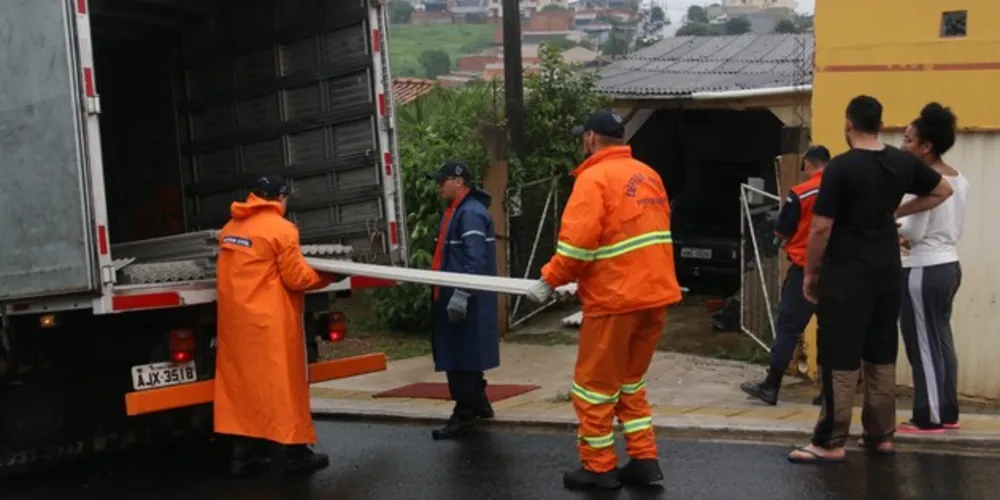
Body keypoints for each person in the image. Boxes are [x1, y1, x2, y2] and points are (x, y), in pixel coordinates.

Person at [789, 96, 954, 464]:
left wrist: (811, 273)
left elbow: (821, 226)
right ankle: (880, 436)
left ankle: (830, 441)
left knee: (840, 356)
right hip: (887, 272)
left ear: (849, 125)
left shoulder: (841, 168)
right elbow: (943, 190)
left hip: (846, 275)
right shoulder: (901, 162)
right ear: (880, 125)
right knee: (880, 355)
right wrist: (897, 209)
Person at [525, 109, 683, 490]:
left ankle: (599, 468)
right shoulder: (649, 176)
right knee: (630, 382)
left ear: (592, 138)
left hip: (616, 300)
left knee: (594, 386)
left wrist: (549, 280)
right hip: (655, 296)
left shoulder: (593, 180)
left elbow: (577, 247)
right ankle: (644, 461)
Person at [214, 175, 337, 477]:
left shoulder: (230, 230)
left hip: (236, 324)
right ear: (279, 198)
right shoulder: (281, 229)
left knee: (243, 389)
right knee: (284, 387)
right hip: (270, 324)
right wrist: (329, 276)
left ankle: (242, 458)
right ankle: (296, 455)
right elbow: (297, 278)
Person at [897, 103, 968, 433]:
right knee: (941, 339)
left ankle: (927, 416)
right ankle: (948, 412)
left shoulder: (924, 182)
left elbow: (912, 231)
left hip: (922, 267)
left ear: (926, 146)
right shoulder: (959, 178)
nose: (903, 145)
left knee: (921, 342)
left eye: (909, 140)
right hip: (949, 264)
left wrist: (891, 228)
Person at [741, 145, 830, 405]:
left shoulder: (801, 193)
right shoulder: (845, 190)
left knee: (788, 328)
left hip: (805, 268)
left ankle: (771, 386)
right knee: (831, 331)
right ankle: (830, 393)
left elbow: (781, 231)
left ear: (808, 164)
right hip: (838, 271)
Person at [425, 160, 500, 441]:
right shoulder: (459, 211)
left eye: (442, 180)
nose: (439, 185)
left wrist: (461, 294)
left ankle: (464, 414)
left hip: (463, 298)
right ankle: (478, 402)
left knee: (460, 358)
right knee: (465, 354)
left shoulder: (468, 214)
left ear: (459, 181)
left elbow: (474, 258)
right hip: (455, 295)